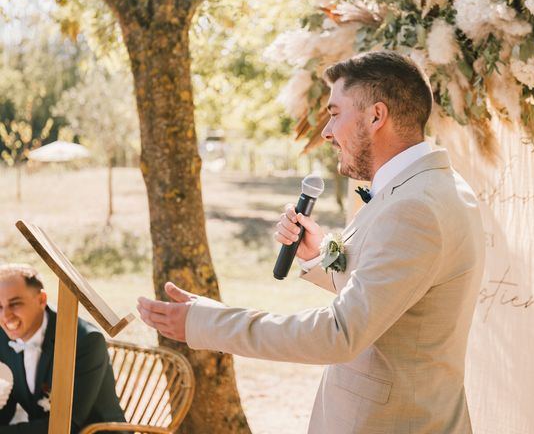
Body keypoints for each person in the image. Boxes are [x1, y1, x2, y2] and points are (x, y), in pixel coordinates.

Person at [138, 50, 486, 433]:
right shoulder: (433, 186)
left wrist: (207, 322)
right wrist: (320, 256)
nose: (326, 131)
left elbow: (340, 333)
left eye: (335, 114)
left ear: (376, 116)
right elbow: (397, 296)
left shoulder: (415, 207)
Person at [0, 264, 125, 433]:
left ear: (41, 300)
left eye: (15, 304)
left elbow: (69, 425)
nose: (5, 316)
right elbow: (7, 404)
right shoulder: (3, 335)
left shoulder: (85, 341)